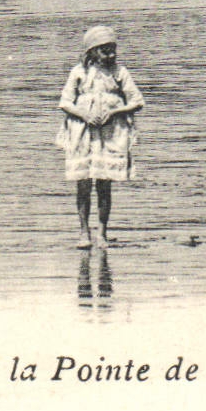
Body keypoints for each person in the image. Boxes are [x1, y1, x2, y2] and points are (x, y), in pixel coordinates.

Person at [57, 25, 144, 249]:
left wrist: (114, 112)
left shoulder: (119, 72)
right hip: (82, 134)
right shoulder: (78, 73)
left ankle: (102, 234)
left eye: (113, 49)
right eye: (105, 50)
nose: (111, 55)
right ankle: (84, 233)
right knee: (83, 184)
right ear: (92, 51)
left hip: (110, 134)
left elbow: (137, 101)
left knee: (104, 184)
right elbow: (65, 102)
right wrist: (84, 114)